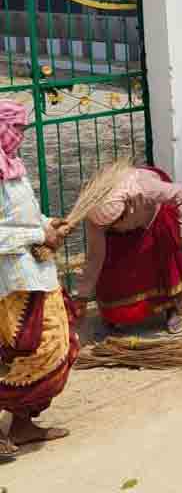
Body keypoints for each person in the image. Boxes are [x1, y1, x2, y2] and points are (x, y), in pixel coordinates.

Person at [0, 101, 76, 455]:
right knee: (17, 353)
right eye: (16, 128)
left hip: (38, 275)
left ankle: (23, 424)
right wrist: (36, 236)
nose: (21, 136)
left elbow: (27, 214)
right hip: (11, 282)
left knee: (58, 344)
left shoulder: (12, 167)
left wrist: (48, 225)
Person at [81, 164, 182, 335]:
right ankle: (113, 315)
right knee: (111, 268)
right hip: (129, 221)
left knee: (163, 260)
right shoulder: (94, 215)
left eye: (116, 222)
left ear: (125, 207)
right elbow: (95, 256)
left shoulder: (144, 187)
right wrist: (83, 294)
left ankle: (171, 309)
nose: (115, 227)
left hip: (152, 215)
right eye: (110, 226)